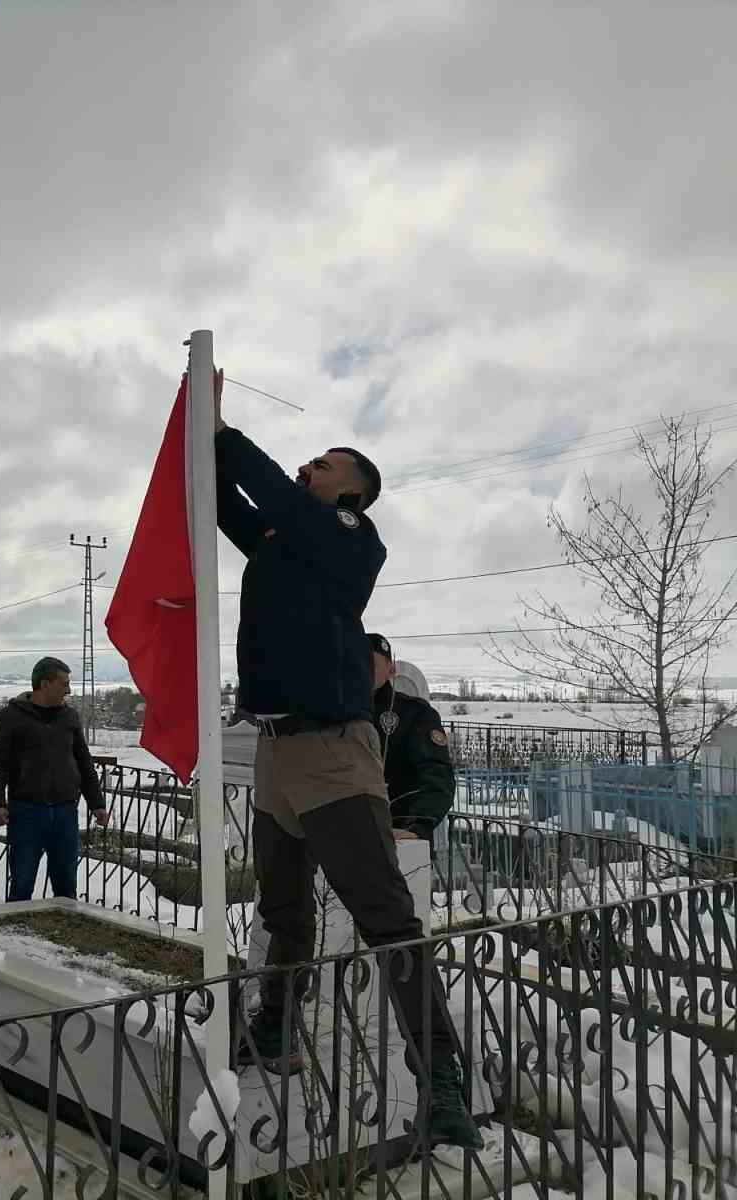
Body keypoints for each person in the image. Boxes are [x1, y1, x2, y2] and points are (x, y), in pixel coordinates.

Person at [211, 367, 481, 1150]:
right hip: (276, 752)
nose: (307, 470)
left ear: (352, 493)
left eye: (323, 465)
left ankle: (442, 1081)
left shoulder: (351, 539)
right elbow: (233, 505)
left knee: (385, 918)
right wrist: (202, 439)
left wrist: (226, 432)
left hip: (333, 752)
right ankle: (273, 1030)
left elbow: (277, 495)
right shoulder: (287, 539)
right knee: (284, 914)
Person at [0, 657, 110, 903]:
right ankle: (17, 937)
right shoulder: (11, 717)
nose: (69, 690)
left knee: (66, 888)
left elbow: (84, 763)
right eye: (63, 684)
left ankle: (61, 938)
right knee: (21, 885)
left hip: (65, 811)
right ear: (44, 684)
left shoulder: (69, 717)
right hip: (26, 812)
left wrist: (97, 804)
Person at [368, 633, 455, 843]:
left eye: (371, 663)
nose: (362, 670)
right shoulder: (332, 716)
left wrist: (417, 825)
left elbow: (437, 775)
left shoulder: (414, 714)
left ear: (391, 668)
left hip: (398, 836)